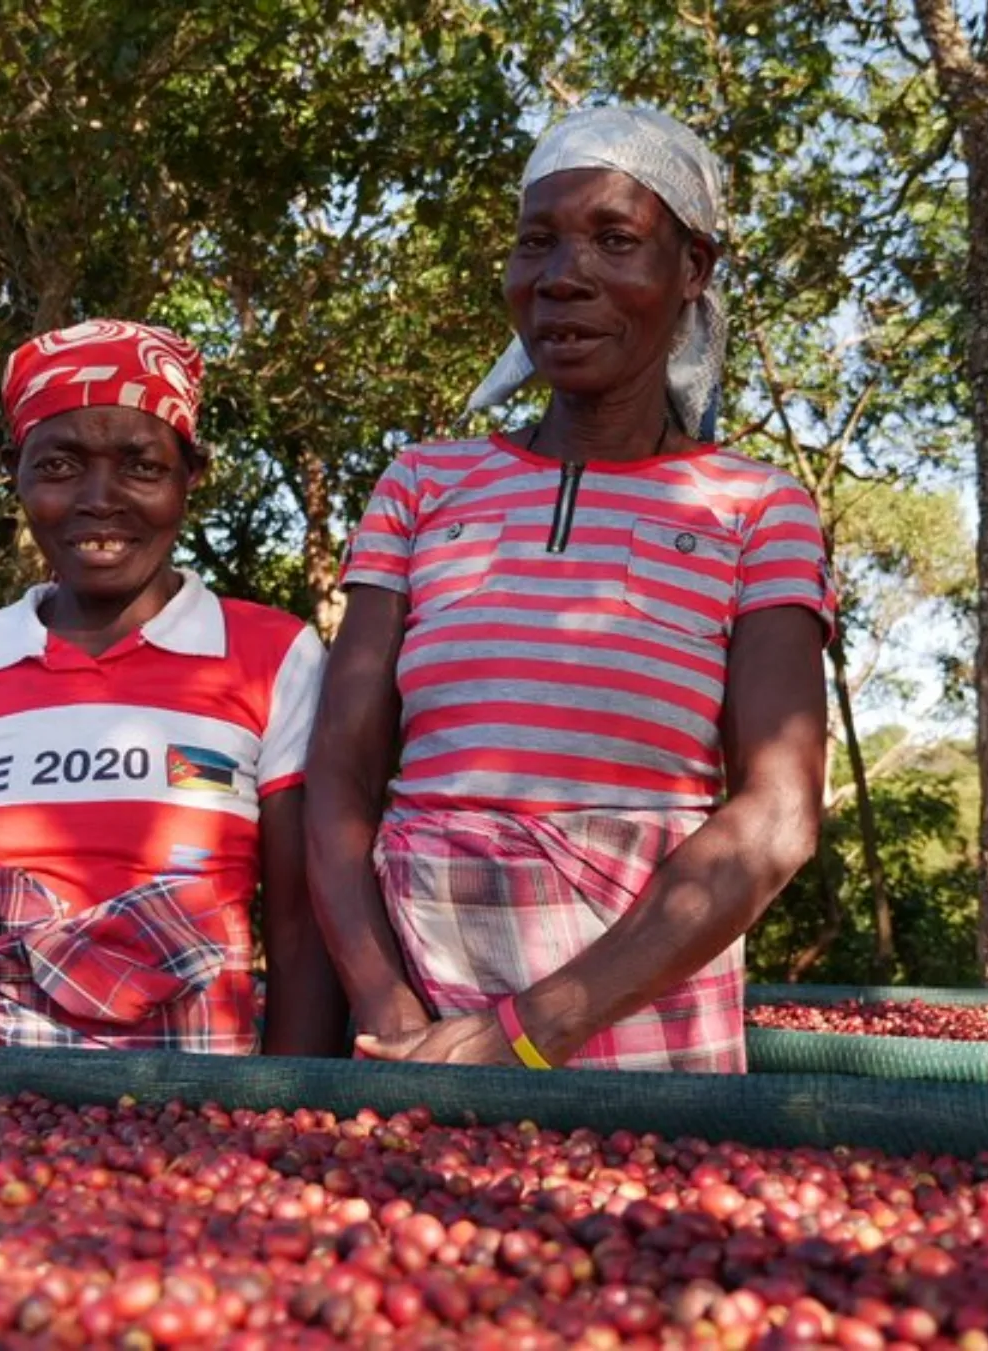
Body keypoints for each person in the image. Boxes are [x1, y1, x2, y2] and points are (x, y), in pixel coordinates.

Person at [306, 106, 834, 1073]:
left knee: (644, 1228)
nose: (563, 277)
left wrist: (528, 1032)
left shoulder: (757, 510)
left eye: (616, 240)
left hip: (642, 1014)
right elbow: (339, 773)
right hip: (418, 1011)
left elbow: (780, 812)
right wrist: (390, 1006)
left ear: (694, 272)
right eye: (537, 242)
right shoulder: (424, 486)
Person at [0, 319, 348, 1056]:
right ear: (17, 474)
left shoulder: (272, 655)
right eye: (60, 466)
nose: (99, 499)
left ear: (189, 476)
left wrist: (283, 1114)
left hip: (189, 1098)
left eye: (141, 465)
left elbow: (302, 923)